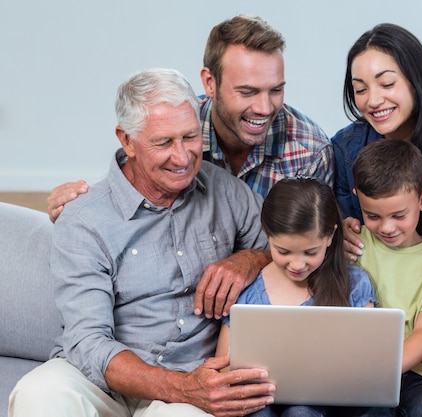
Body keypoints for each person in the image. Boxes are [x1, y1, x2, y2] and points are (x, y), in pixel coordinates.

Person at [9, 68, 277, 417]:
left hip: (192, 381)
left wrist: (251, 259)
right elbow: (88, 342)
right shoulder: (84, 218)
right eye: (164, 142)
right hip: (102, 380)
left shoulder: (226, 192)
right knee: (39, 392)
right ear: (127, 140)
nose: (182, 158)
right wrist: (178, 386)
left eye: (190, 137)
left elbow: (287, 251)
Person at [47, 14, 333, 220]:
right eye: (247, 91)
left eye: (276, 90)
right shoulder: (175, 123)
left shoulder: (311, 151)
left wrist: (253, 258)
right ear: (210, 82)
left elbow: (313, 247)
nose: (264, 108)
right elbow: (132, 185)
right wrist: (78, 205)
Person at [215, 177, 376, 417]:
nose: (297, 264)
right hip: (259, 401)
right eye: (283, 251)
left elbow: (371, 360)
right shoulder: (248, 292)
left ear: (331, 237)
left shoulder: (353, 284)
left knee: (300, 412)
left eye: (311, 252)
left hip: (332, 405)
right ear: (267, 235)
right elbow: (224, 365)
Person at [350, 139, 422, 417]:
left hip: (418, 374)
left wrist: (381, 369)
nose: (386, 227)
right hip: (357, 370)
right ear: (357, 199)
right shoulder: (353, 244)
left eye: (399, 215)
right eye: (372, 215)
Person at [332, 23, 422, 246]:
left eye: (387, 84)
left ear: (416, 81)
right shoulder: (346, 148)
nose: (373, 101)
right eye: (361, 90)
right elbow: (342, 223)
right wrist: (341, 234)